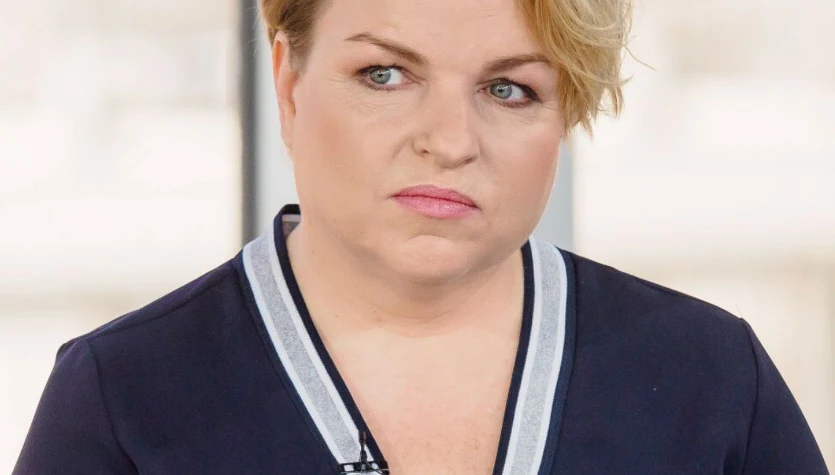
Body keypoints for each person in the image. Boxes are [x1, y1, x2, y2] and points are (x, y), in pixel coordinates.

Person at [14, 0, 830, 472]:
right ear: (289, 85)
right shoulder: (122, 397)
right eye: (384, 75)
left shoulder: (711, 381)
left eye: (508, 89)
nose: (449, 139)